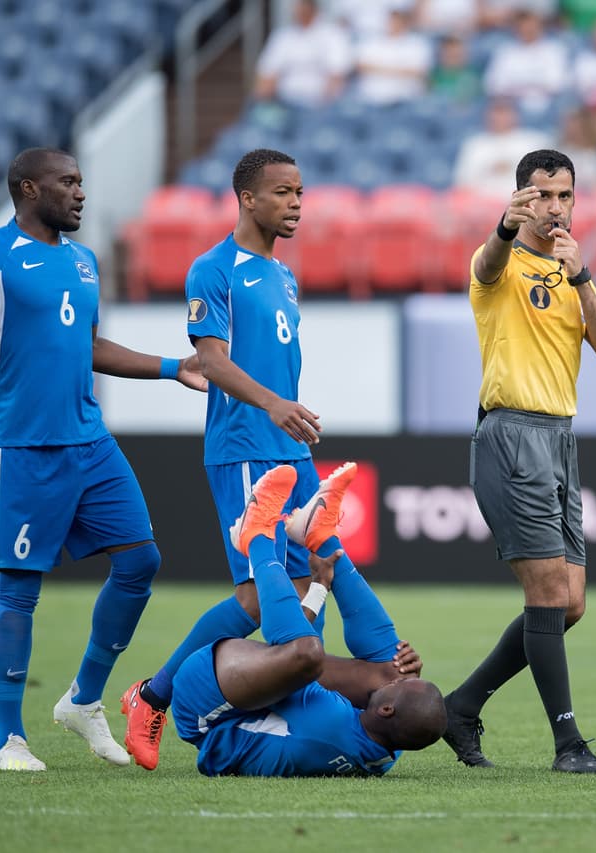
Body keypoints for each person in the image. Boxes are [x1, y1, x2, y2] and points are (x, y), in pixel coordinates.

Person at [0, 147, 205, 772]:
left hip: (90, 441)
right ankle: (9, 741)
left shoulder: (83, 260)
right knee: (20, 590)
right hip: (21, 445)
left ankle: (83, 698)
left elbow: (89, 344)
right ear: (29, 188)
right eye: (68, 182)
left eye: (82, 182)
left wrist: (170, 368)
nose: (81, 193)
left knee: (141, 561)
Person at [119, 148, 369, 767]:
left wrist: (285, 416)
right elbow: (211, 360)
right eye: (284, 193)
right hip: (245, 449)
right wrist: (273, 404)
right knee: (260, 596)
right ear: (247, 198)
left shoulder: (283, 275)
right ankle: (153, 695)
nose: (296, 205)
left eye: (301, 193)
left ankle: (293, 700)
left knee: (311, 578)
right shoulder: (213, 269)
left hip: (288, 445)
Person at [442, 149, 596, 774]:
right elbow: (489, 262)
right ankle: (569, 744)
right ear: (521, 198)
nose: (554, 207)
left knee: (569, 602)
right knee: (547, 590)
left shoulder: (572, 271)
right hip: (512, 432)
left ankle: (462, 706)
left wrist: (582, 277)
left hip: (561, 438)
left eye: (564, 196)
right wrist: (500, 227)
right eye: (542, 195)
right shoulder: (496, 262)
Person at [122, 465, 440, 775]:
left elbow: (295, 658)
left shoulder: (329, 724)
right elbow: (295, 659)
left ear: (386, 710)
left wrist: (318, 590)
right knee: (390, 665)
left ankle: (256, 537)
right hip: (259, 691)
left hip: (206, 708)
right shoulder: (390, 745)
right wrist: (402, 678)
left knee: (306, 654)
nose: (400, 681)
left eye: (401, 688)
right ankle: (322, 536)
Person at [253, 0, 353, 108]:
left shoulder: (333, 34)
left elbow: (336, 78)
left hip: (318, 105)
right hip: (283, 103)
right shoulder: (283, 36)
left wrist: (323, 108)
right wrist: (262, 104)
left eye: (300, 5)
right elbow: (267, 74)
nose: (296, 9)